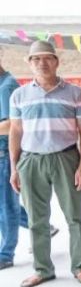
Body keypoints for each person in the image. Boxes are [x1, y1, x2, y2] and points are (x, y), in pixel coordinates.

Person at [8, 41, 81, 287]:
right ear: (29, 63)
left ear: (57, 61)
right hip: (31, 160)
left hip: (66, 157)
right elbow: (15, 131)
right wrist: (15, 167)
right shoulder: (19, 95)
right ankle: (43, 269)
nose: (42, 63)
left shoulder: (74, 93)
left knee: (75, 217)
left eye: (47, 58)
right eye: (36, 59)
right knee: (37, 219)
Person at [0, 51, 29, 270]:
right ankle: (43, 227)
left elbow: (11, 124)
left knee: (6, 206)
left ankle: (6, 253)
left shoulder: (6, 87)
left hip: (4, 154)